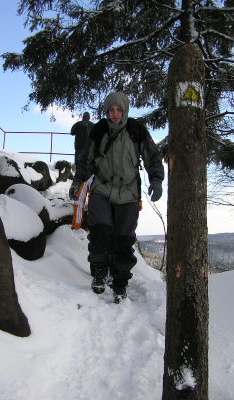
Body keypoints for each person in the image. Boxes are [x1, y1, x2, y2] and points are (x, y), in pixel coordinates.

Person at [69, 92, 164, 303]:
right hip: (102, 188)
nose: (114, 114)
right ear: (106, 111)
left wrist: (156, 180)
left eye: (118, 110)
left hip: (128, 192)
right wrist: (78, 181)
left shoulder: (136, 130)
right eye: (110, 110)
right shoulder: (99, 130)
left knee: (123, 238)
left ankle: (120, 281)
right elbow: (86, 160)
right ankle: (100, 271)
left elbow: (152, 156)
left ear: (125, 111)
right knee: (100, 229)